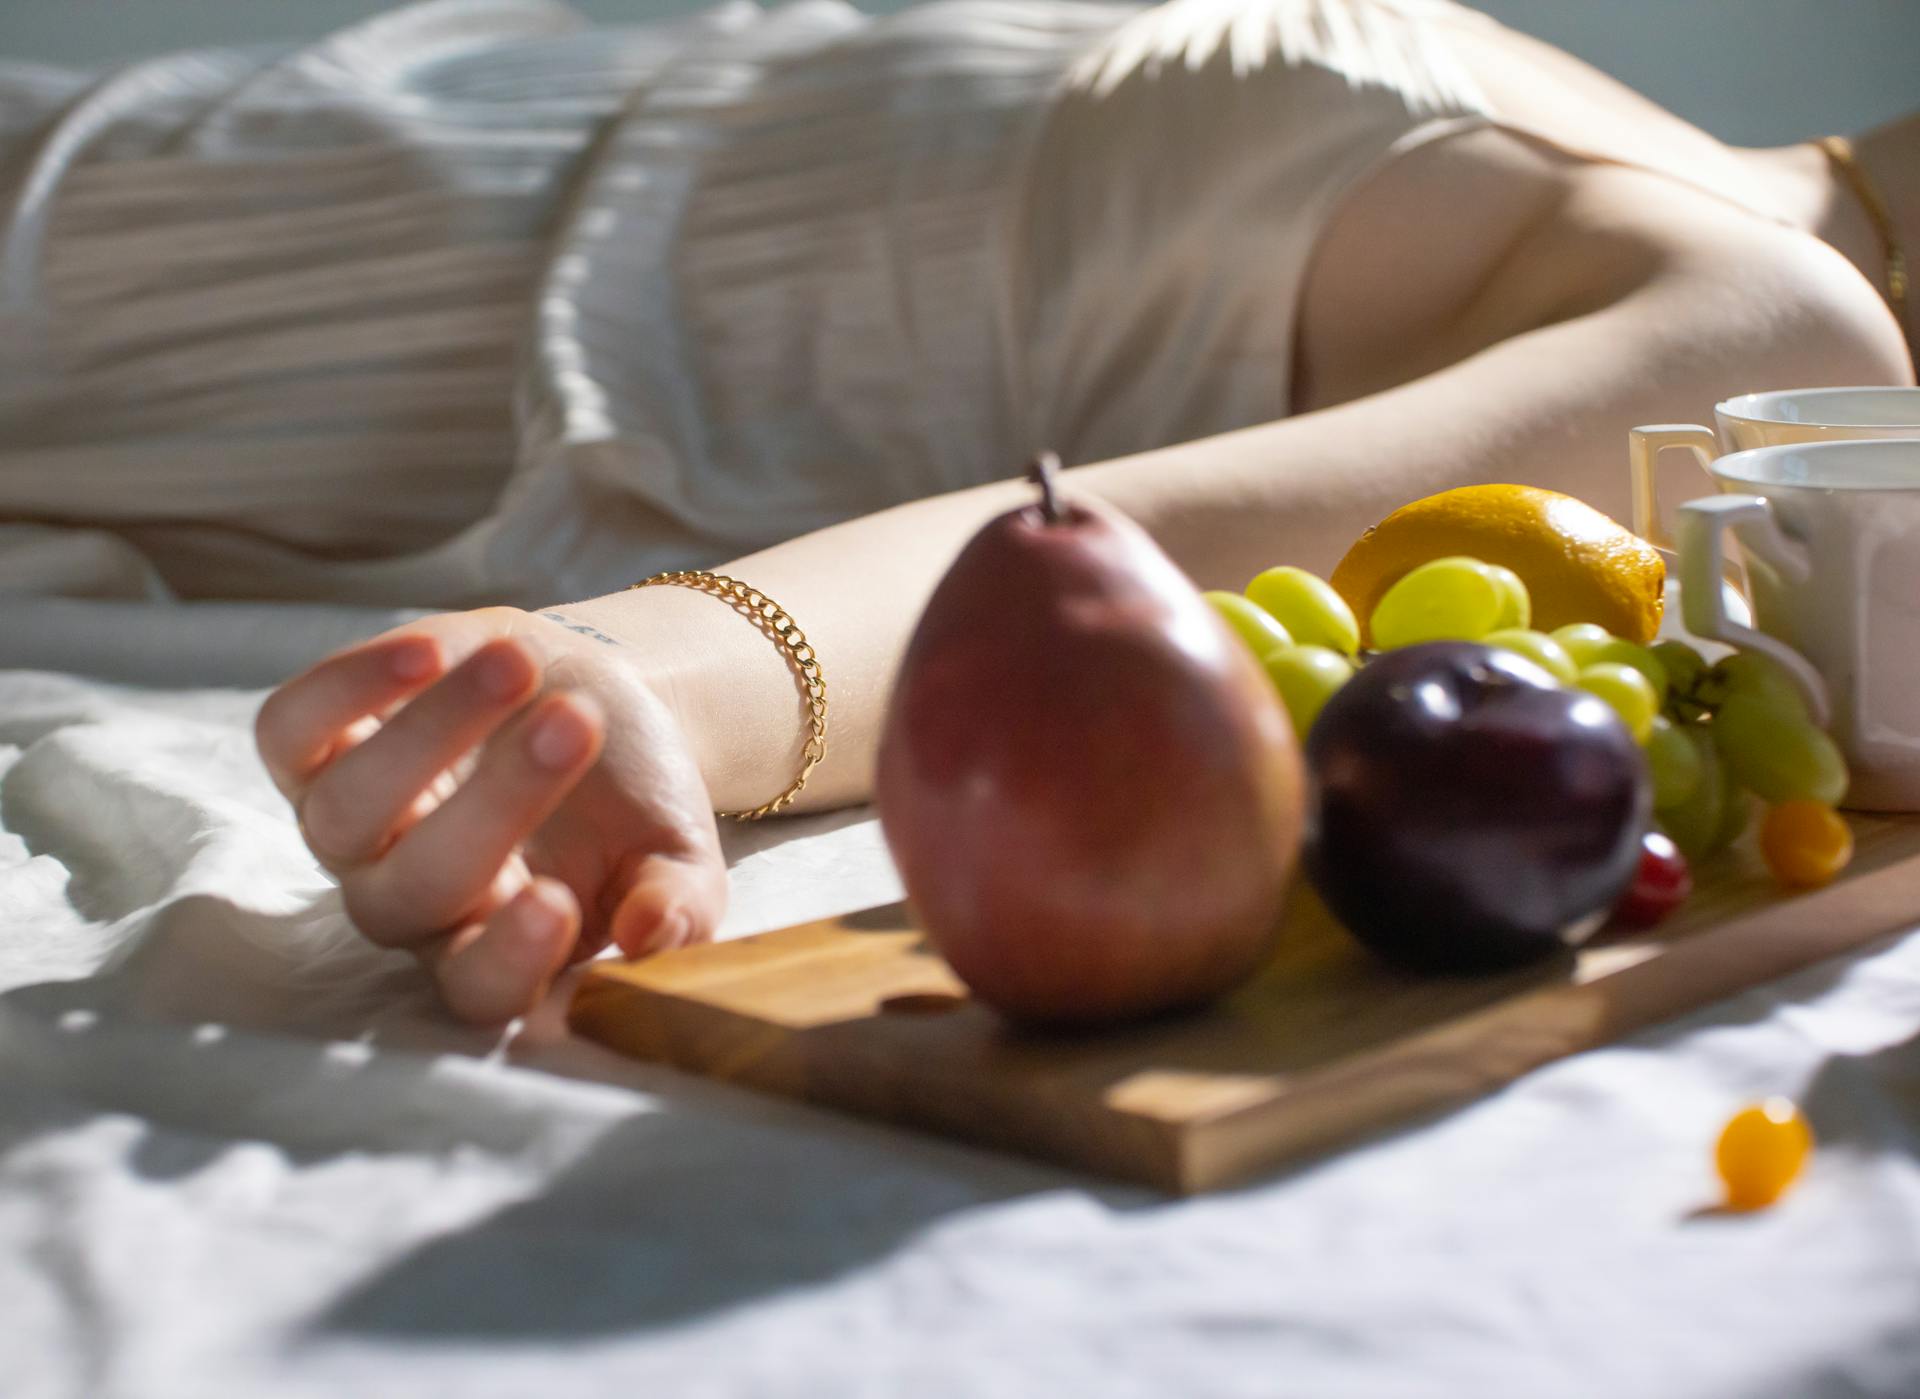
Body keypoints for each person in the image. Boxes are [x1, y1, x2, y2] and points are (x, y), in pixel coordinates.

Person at [6, 0, 1912, 1021]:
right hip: (397, 276)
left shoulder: (1656, 171)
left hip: (418, 169)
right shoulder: (1783, 322)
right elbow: (1108, 574)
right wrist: (620, 681)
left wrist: (613, 676)